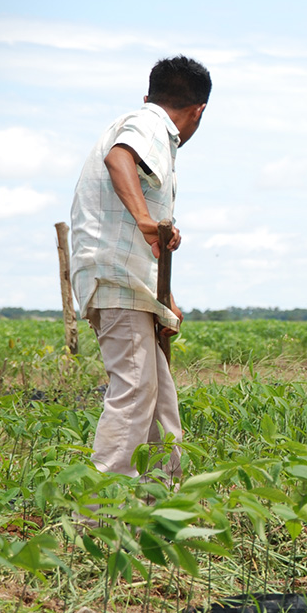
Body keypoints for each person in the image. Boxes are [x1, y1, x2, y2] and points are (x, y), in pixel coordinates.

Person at [70, 55, 211, 481]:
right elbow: (120, 159)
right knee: (134, 394)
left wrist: (164, 299)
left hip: (133, 284)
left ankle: (158, 507)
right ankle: (98, 519)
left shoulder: (151, 127)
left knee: (159, 401)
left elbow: (144, 236)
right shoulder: (151, 122)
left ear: (151, 93)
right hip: (115, 280)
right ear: (198, 110)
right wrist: (147, 220)